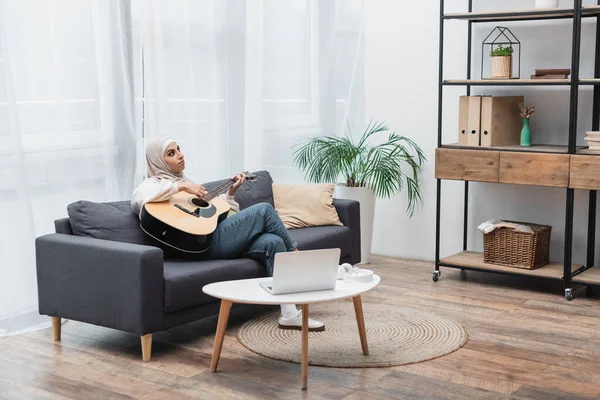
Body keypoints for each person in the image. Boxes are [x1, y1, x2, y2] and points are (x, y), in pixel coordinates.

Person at [131, 136, 325, 331]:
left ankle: (289, 314)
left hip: (214, 237)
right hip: (200, 246)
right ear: (156, 160)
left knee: (273, 242)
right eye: (171, 153)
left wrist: (231, 194)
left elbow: (218, 216)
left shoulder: (187, 184)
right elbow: (138, 200)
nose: (180, 155)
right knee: (264, 210)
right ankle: (298, 257)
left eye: (179, 149)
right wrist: (180, 186)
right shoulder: (152, 185)